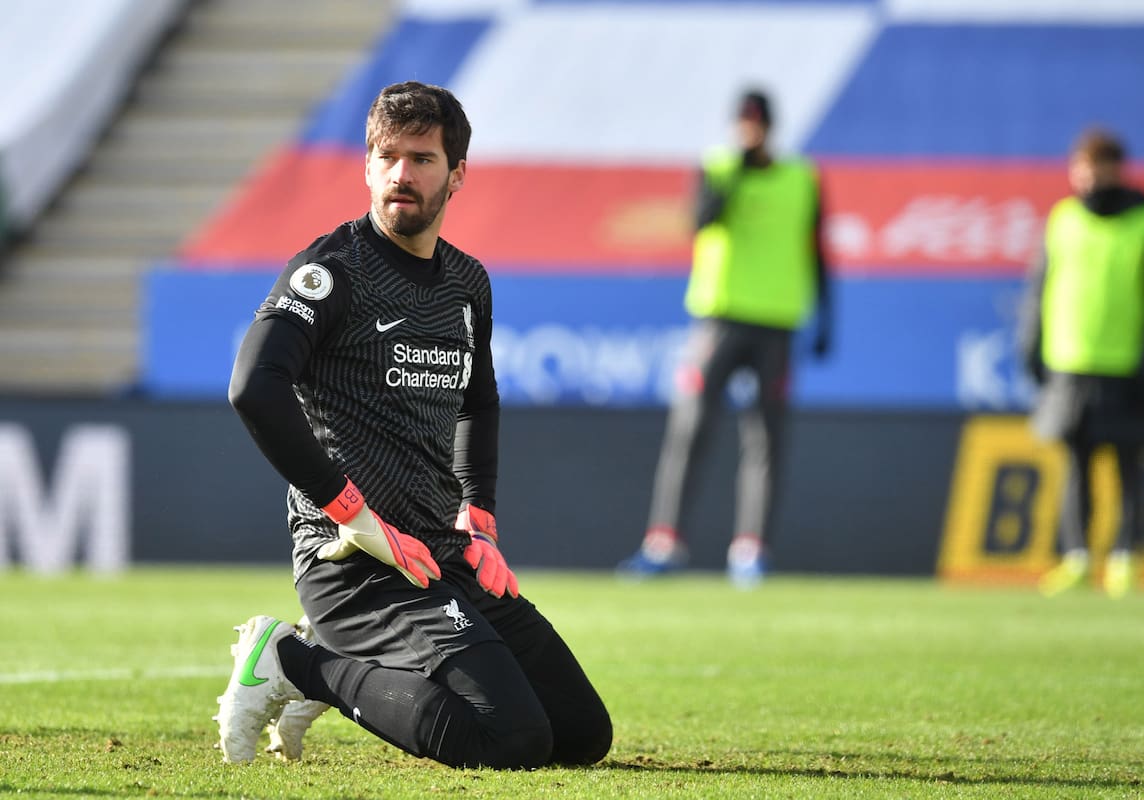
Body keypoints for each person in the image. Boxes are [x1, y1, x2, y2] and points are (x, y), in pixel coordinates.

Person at [219, 81, 612, 769]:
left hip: (440, 556)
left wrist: (479, 516)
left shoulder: (467, 284)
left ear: (457, 174)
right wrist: (348, 510)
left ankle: (343, 662)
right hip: (354, 561)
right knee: (512, 739)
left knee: (580, 734)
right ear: (368, 165)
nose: (402, 173)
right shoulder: (330, 272)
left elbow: (478, 402)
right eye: (388, 155)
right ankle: (295, 661)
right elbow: (254, 386)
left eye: (423, 159)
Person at [617, 88, 832, 588]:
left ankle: (751, 550)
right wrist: (736, 168)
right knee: (690, 429)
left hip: (777, 323)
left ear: (771, 126)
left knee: (766, 438)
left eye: (755, 123)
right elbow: (701, 219)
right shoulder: (719, 167)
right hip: (720, 320)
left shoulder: (802, 177)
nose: (748, 131)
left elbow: (818, 251)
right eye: (742, 122)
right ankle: (664, 542)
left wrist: (826, 320)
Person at [1020, 127, 1144, 599]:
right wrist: (1032, 346)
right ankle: (1078, 558)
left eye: (1100, 168)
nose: (1090, 178)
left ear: (1118, 170)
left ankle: (1126, 557)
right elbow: (1039, 290)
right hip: (1071, 361)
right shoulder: (1063, 219)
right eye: (1083, 168)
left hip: (1127, 364)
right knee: (1076, 465)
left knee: (1130, 465)